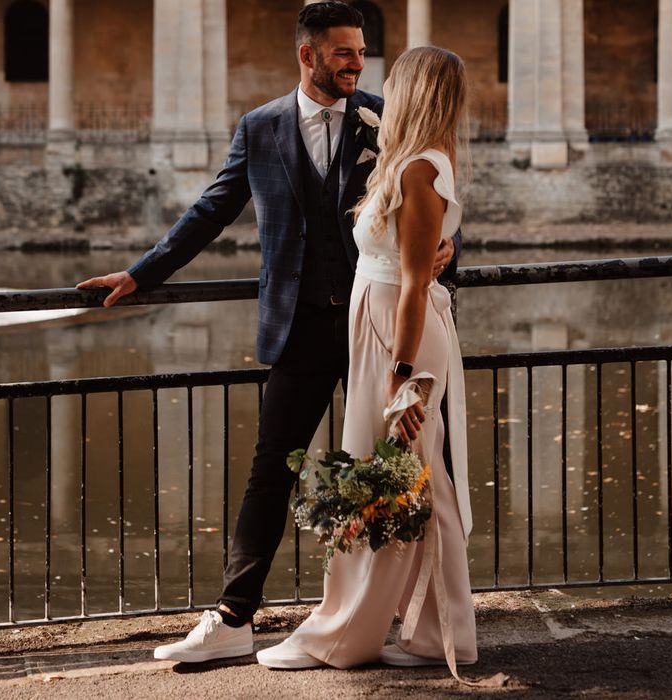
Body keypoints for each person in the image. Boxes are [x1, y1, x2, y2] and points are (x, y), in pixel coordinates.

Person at [77, 2, 457, 663]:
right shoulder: (260, 128)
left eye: (362, 51)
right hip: (301, 328)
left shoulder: (383, 117)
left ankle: (423, 622)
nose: (356, 62)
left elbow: (430, 195)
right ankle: (232, 618)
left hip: (380, 327)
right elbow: (210, 210)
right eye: (344, 51)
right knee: (269, 473)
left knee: (411, 471)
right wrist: (141, 274)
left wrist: (452, 249)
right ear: (307, 55)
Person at [256, 46, 477, 675]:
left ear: (412, 91)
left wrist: (400, 377)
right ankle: (433, 634)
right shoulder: (410, 161)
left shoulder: (418, 170)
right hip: (379, 323)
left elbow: (411, 285)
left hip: (398, 335)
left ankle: (345, 633)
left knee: (397, 482)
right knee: (413, 483)